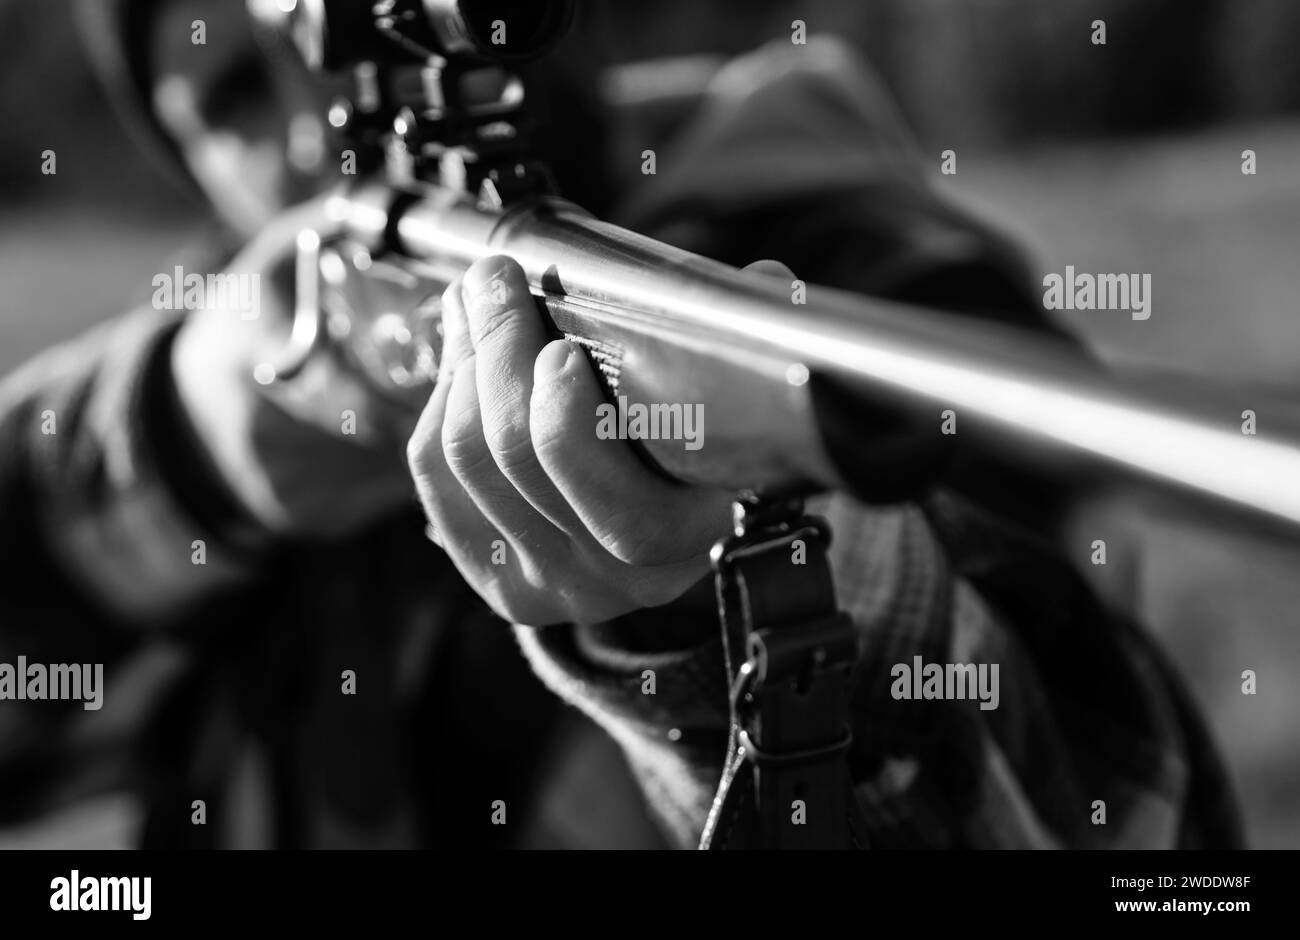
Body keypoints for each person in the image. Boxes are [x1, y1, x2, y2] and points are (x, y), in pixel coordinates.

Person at [0, 0, 1241, 848]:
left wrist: (716, 619)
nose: (315, 117)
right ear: (185, 164)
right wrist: (180, 449)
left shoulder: (878, 296)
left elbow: (1133, 829)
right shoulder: (224, 352)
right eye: (229, 93)